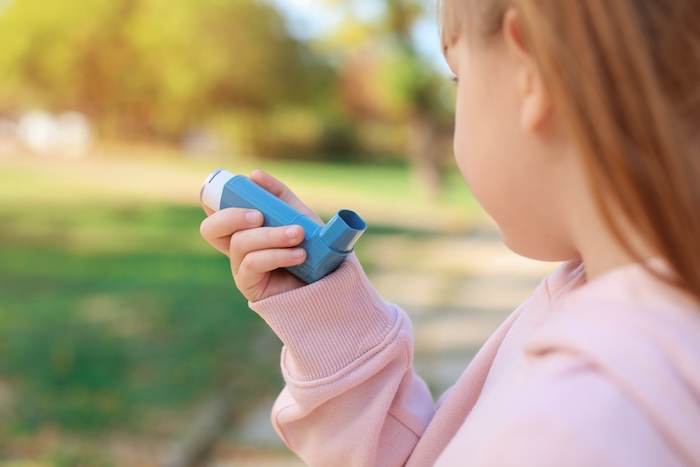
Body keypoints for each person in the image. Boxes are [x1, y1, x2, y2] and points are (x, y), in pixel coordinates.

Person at [200, 0, 700, 465]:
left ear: (533, 72)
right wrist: (327, 313)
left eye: (457, 77)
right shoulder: (612, 305)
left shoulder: (580, 424)